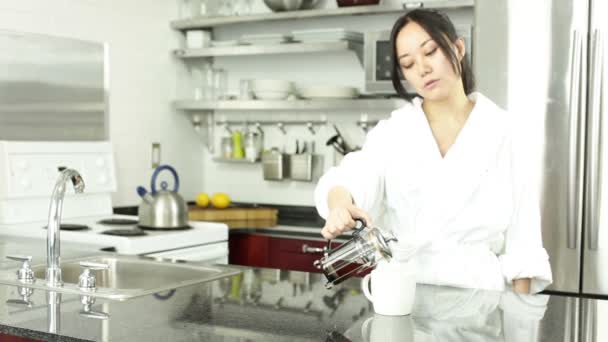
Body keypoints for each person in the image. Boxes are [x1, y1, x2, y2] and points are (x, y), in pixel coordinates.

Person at [314, 9, 552, 294]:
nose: (423, 68)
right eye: (408, 63)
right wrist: (340, 204)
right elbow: (353, 176)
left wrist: (519, 324)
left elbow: (523, 242)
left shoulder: (503, 131)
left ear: (458, 47)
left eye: (431, 52)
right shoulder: (395, 132)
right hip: (405, 295)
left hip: (479, 304)